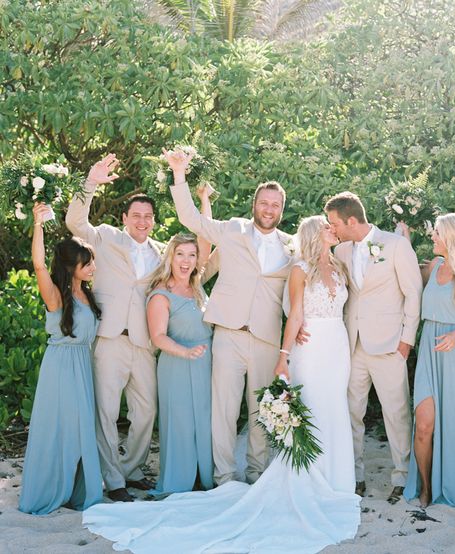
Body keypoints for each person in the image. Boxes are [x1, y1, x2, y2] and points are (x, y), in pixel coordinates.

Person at [83, 215, 360, 554]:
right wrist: (285, 352)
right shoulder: (295, 265)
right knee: (221, 413)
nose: (334, 231)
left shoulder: (336, 262)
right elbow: (295, 310)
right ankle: (221, 476)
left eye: (190, 256)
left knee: (328, 410)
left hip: (333, 348)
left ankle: (331, 477)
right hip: (273, 350)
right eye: (327, 227)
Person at [165, 148, 294, 485]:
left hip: (267, 339)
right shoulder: (233, 229)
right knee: (223, 410)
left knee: (260, 413)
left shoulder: (291, 246)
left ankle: (256, 474)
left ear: (282, 209)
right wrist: (179, 174)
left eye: (275, 205)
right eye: (264, 203)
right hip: (228, 334)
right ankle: (224, 477)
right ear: (255, 204)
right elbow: (192, 220)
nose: (269, 209)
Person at [66, 155, 164, 502]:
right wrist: (89, 182)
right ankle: (113, 479)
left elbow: (194, 270)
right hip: (109, 340)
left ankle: (132, 469)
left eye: (148, 217)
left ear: (153, 222)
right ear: (125, 218)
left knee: (146, 411)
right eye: (136, 215)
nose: (142, 221)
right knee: (106, 412)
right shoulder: (105, 238)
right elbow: (75, 221)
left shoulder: (161, 254)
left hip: (144, 344)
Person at [325, 192, 423, 503]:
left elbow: (413, 293)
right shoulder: (339, 249)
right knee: (351, 412)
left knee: (396, 413)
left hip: (390, 344)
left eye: (335, 224)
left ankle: (402, 476)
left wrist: (407, 339)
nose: (333, 229)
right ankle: (354, 476)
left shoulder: (395, 245)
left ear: (351, 221)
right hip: (352, 343)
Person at [19, 203, 103, 514]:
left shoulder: (88, 294)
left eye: (92, 261)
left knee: (82, 429)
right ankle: (51, 488)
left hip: (83, 366)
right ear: (70, 267)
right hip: (61, 368)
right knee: (62, 429)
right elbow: (40, 265)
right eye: (86, 263)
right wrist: (38, 224)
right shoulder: (56, 296)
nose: (92, 267)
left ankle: (78, 490)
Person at [400, 214, 455, 508]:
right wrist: (404, 238)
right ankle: (425, 488)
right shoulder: (435, 266)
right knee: (424, 424)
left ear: (451, 237)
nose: (433, 238)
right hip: (429, 350)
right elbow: (404, 273)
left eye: (437, 233)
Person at [146, 226, 214, 493]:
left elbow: (207, 242)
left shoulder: (197, 288)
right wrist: (185, 352)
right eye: (180, 255)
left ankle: (202, 477)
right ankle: (179, 481)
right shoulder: (162, 294)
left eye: (191, 255)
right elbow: (158, 336)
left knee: (204, 421)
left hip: (204, 363)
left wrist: (205, 203)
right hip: (177, 364)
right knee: (181, 422)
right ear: (170, 258)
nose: (186, 261)